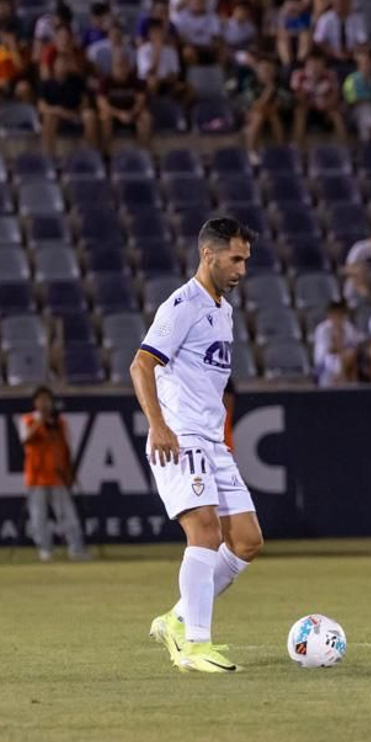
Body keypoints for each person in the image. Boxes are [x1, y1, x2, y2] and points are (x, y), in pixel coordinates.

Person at [133, 217, 264, 675]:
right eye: (236, 258)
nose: (242, 269)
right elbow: (141, 366)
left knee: (246, 541)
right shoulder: (181, 306)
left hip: (212, 440)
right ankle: (194, 645)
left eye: (246, 259)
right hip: (180, 435)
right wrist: (160, 426)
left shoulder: (222, 310)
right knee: (205, 532)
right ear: (208, 254)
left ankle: (177, 619)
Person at [19, 387, 88, 563]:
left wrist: (70, 473)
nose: (44, 403)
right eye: (41, 400)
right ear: (35, 403)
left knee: (67, 515)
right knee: (38, 517)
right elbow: (25, 439)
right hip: (36, 478)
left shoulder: (60, 422)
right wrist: (40, 421)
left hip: (58, 476)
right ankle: (45, 550)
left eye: (47, 400)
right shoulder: (28, 420)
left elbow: (66, 448)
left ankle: (76, 549)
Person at [39, 54, 99, 157]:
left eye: (65, 63)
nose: (63, 66)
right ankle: (49, 156)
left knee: (90, 115)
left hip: (75, 114)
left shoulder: (77, 81)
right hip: (57, 115)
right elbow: (41, 106)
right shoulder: (46, 83)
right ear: (54, 66)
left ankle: (90, 155)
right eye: (60, 63)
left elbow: (85, 102)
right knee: (48, 118)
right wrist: (58, 111)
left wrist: (76, 112)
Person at [312, 300, 363, 386]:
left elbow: (355, 343)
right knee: (347, 357)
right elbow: (329, 350)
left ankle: (353, 387)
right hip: (325, 361)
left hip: (344, 358)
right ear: (329, 315)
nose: (338, 317)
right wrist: (339, 337)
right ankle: (338, 383)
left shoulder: (347, 326)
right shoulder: (322, 329)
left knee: (352, 356)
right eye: (335, 314)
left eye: (340, 314)